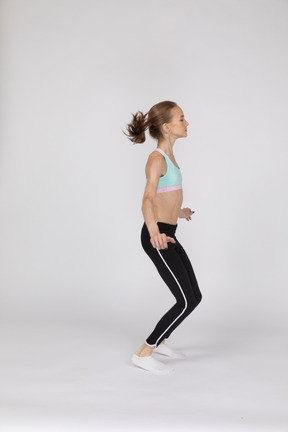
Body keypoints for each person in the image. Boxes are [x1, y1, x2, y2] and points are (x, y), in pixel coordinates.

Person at [124, 101, 202, 375]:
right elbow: (146, 199)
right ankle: (144, 352)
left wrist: (179, 212)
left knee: (195, 296)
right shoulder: (156, 159)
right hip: (157, 236)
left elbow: (163, 198)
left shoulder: (170, 158)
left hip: (168, 232)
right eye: (182, 119)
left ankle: (162, 341)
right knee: (185, 301)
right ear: (167, 127)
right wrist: (155, 232)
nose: (187, 123)